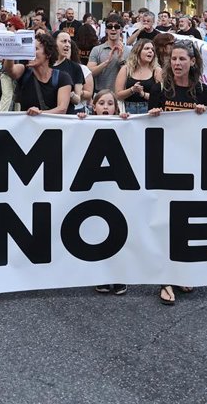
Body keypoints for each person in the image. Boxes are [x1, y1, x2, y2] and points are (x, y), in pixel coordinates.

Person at [148, 41, 207, 306]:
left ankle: (182, 271)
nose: (176, 63)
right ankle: (165, 279)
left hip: (192, 164)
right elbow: (148, 128)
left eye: (182, 59)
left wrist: (205, 115)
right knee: (164, 220)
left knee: (185, 220)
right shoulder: (159, 89)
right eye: (173, 59)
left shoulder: (203, 92)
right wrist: (154, 115)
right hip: (164, 164)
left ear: (192, 62)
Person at [81, 88, 129, 296]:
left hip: (117, 187)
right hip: (95, 186)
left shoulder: (124, 124)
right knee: (96, 229)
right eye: (102, 103)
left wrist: (130, 123)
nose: (106, 107)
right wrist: (78, 123)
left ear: (116, 108)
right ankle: (100, 274)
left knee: (118, 229)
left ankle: (118, 275)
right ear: (94, 107)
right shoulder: (85, 123)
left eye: (110, 103)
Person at [4, 32, 71, 115]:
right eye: (30, 49)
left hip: (50, 123)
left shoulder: (62, 77)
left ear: (48, 54)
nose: (31, 53)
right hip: (27, 123)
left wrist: (39, 113)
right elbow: (9, 69)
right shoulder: (24, 72)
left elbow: (62, 109)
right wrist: (11, 50)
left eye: (35, 49)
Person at [115, 39, 161, 115]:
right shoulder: (126, 69)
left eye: (152, 50)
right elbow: (118, 95)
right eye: (146, 48)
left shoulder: (157, 70)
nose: (150, 51)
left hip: (149, 110)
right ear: (138, 51)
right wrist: (132, 90)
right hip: (128, 110)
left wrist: (143, 94)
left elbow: (160, 97)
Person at [87, 19, 128, 95]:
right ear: (106, 30)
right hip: (100, 94)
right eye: (110, 26)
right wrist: (106, 62)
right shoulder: (97, 49)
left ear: (121, 30)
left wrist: (121, 59)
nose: (113, 29)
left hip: (120, 95)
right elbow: (89, 73)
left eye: (116, 27)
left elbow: (130, 76)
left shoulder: (128, 51)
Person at [52, 30, 89, 114]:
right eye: (64, 41)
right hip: (46, 113)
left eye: (69, 42)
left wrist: (69, 92)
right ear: (54, 44)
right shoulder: (46, 65)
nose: (68, 45)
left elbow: (77, 100)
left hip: (67, 114)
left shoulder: (75, 68)